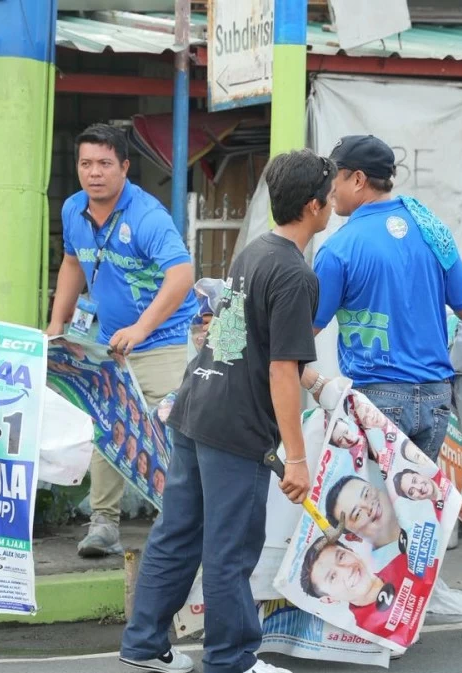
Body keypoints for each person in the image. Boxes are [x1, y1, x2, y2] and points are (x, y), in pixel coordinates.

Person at [119, 150, 333, 673]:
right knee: (230, 548)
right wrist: (298, 459)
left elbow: (238, 340)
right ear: (313, 206)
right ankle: (232, 660)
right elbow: (281, 371)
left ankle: (143, 645)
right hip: (235, 428)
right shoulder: (295, 276)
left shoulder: (254, 251)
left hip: (197, 407)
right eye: (327, 196)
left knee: (178, 532)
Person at [48, 123, 197, 558]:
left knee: (174, 430)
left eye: (104, 164)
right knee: (106, 425)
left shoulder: (147, 216)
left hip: (163, 341)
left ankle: (181, 523)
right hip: (109, 344)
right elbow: (72, 263)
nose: (94, 173)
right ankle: (104, 524)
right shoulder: (74, 209)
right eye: (86, 163)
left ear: (125, 167)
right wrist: (58, 322)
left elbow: (182, 274)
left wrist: (143, 328)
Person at [305, 135, 462, 463]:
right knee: (416, 508)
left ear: (358, 179)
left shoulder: (339, 248)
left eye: (334, 177)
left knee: (371, 510)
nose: (329, 189)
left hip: (377, 397)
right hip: (437, 396)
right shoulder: (433, 230)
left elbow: (304, 332)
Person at [299, 538, 400, 621]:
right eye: (332, 577)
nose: (347, 570)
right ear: (329, 599)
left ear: (351, 550)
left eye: (341, 557)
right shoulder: (361, 633)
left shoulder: (403, 560)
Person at [324, 474, 407, 565]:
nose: (369, 507)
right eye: (357, 514)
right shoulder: (379, 572)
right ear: (354, 537)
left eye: (366, 494)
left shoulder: (416, 499)